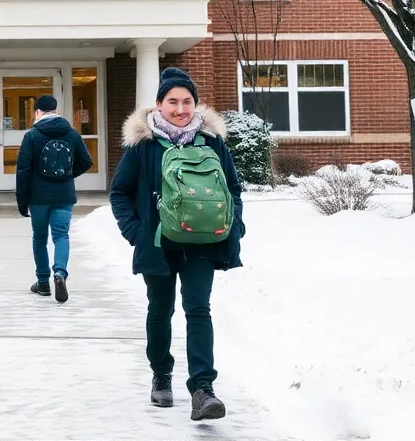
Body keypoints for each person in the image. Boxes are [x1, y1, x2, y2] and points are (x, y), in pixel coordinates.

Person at [110, 67, 245, 421]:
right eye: (173, 102)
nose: (181, 108)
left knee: (199, 310)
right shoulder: (144, 145)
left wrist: (235, 225)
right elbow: (120, 192)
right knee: (161, 311)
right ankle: (161, 374)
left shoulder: (212, 142)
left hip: (202, 241)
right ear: (159, 104)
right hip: (158, 242)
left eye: (187, 102)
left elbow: (232, 187)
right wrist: (135, 232)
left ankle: (203, 389)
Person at [15, 94, 92, 303]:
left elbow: (23, 169)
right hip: (63, 195)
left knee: (39, 237)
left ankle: (42, 283)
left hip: (38, 197)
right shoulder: (72, 134)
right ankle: (60, 274)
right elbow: (86, 161)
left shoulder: (32, 136)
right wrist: (67, 174)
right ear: (56, 110)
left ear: (37, 112)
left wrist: (22, 200)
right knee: (61, 236)